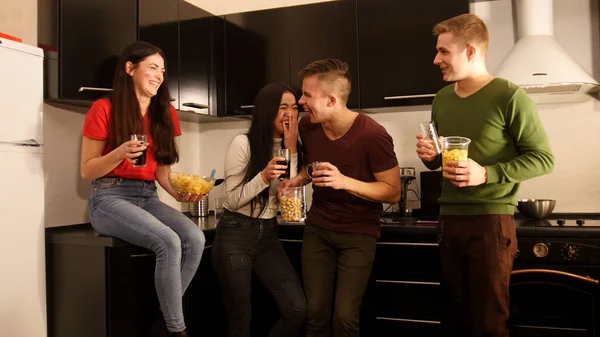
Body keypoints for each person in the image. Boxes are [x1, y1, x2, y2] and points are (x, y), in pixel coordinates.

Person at [416, 13, 555, 337]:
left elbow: (543, 158)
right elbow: (439, 160)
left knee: (489, 324)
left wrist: (486, 174)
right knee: (455, 321)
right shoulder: (442, 99)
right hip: (448, 221)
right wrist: (431, 156)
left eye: (444, 51)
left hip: (490, 222)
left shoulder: (509, 96)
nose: (436, 59)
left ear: (471, 52)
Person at [80, 41, 205, 337]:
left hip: (148, 196)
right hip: (109, 196)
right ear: (130, 68)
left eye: (162, 70)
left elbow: (162, 171)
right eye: (152, 67)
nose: (159, 75)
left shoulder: (166, 113)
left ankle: (164, 320)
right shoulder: (104, 108)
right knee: (169, 242)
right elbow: (87, 170)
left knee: (195, 238)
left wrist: (179, 194)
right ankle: (176, 330)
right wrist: (119, 152)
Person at [281, 59, 401, 337]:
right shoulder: (309, 127)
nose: (300, 101)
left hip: (358, 235)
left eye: (307, 95)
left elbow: (392, 191)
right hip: (318, 230)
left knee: (344, 317)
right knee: (315, 313)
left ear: (332, 100)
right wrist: (300, 178)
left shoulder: (373, 135)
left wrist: (344, 182)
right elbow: (313, 166)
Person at [211, 83, 307, 337]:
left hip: (267, 234)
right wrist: (263, 177)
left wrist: (291, 148)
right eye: (283, 108)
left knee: (297, 309)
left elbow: (289, 187)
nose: (289, 115)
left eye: (294, 108)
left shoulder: (292, 145)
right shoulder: (242, 143)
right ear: (267, 111)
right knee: (241, 318)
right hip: (235, 234)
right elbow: (230, 200)